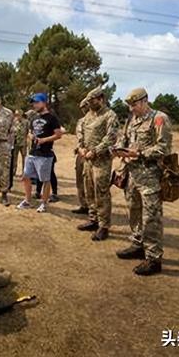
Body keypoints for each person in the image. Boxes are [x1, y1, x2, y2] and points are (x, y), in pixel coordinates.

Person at [112, 87, 172, 276]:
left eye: (135, 104)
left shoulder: (159, 118)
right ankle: (138, 244)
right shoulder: (132, 120)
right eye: (130, 105)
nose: (132, 109)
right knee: (134, 212)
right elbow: (125, 139)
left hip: (151, 177)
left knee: (151, 218)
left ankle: (154, 259)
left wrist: (138, 154)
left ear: (145, 101)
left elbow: (164, 148)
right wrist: (119, 149)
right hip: (132, 175)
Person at [76, 87, 119, 241]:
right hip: (87, 159)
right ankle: (93, 220)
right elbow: (82, 132)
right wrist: (80, 147)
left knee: (101, 192)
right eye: (88, 101)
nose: (90, 104)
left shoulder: (110, 115)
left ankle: (104, 226)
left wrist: (95, 151)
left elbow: (111, 137)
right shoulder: (88, 115)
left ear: (101, 99)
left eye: (92, 101)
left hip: (101, 161)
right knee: (89, 190)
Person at [16, 93, 63, 213]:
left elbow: (58, 135)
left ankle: (44, 203)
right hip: (32, 152)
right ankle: (27, 200)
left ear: (44, 102)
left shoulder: (52, 118)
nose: (34, 105)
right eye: (33, 103)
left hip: (45, 154)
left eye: (37, 102)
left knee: (45, 179)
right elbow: (31, 132)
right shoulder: (34, 118)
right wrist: (31, 136)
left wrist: (44, 140)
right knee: (26, 176)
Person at [71, 99, 90, 215]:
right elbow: (78, 137)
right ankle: (83, 205)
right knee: (79, 181)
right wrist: (79, 148)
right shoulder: (80, 121)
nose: (84, 110)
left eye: (86, 107)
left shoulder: (99, 120)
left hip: (92, 155)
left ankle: (93, 208)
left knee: (90, 183)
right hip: (80, 154)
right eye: (82, 108)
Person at [12, 110, 29, 177]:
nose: (17, 116)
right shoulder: (14, 122)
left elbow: (28, 131)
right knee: (14, 158)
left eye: (18, 114)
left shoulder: (26, 122)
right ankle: (13, 172)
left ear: (21, 114)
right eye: (16, 114)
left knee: (24, 158)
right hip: (15, 142)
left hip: (23, 143)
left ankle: (24, 172)